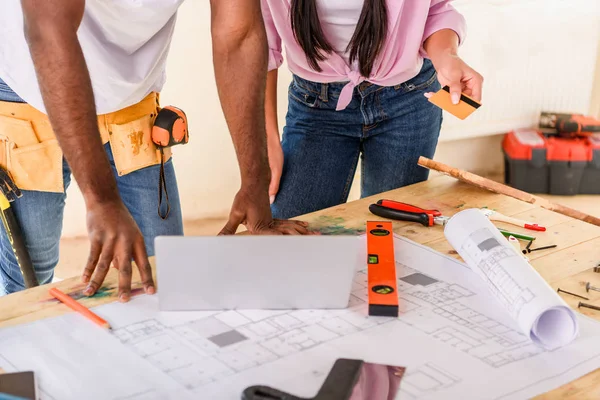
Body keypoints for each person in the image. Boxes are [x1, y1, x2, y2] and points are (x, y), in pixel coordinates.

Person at [0, 0, 308, 299]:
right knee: (29, 283)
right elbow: (49, 28)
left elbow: (237, 36)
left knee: (162, 272)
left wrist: (254, 179)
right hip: (29, 89)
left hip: (131, 96)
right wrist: (101, 198)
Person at [262, 0, 484, 219]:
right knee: (292, 231)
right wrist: (265, 139)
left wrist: (446, 56)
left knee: (393, 228)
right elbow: (259, 45)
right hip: (316, 107)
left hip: (408, 98)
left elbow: (434, 11)